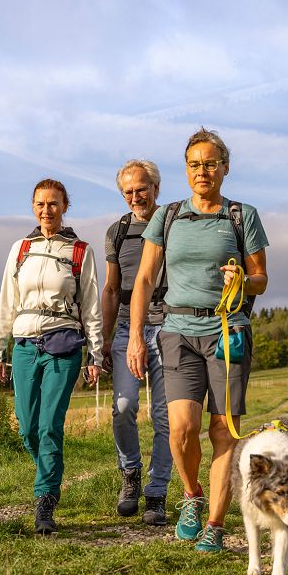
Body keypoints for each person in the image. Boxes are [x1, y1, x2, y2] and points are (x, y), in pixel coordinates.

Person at [126, 128, 269, 553]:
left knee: (223, 431)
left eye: (210, 163)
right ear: (185, 170)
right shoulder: (167, 216)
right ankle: (192, 495)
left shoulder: (242, 215)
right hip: (178, 331)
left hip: (228, 333)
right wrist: (136, 335)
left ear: (225, 167)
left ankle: (215, 524)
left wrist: (244, 279)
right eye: (194, 164)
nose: (202, 171)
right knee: (182, 429)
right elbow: (146, 279)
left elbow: (261, 278)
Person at [0, 179, 103, 534]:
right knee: (26, 426)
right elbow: (7, 301)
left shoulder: (79, 251)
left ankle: (45, 501)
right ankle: (50, 474)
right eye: (40, 203)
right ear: (33, 206)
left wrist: (96, 355)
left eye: (53, 203)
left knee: (49, 424)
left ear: (65, 206)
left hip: (64, 343)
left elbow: (92, 306)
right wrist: (0, 350)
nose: (46, 210)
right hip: (24, 345)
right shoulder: (21, 248)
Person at [101, 159, 172, 525]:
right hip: (128, 326)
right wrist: (103, 339)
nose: (135, 196)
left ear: (156, 188)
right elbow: (111, 289)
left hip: (170, 326)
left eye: (141, 189)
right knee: (124, 406)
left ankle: (157, 493)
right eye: (127, 191)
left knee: (165, 416)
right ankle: (130, 475)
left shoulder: (175, 223)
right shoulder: (117, 231)